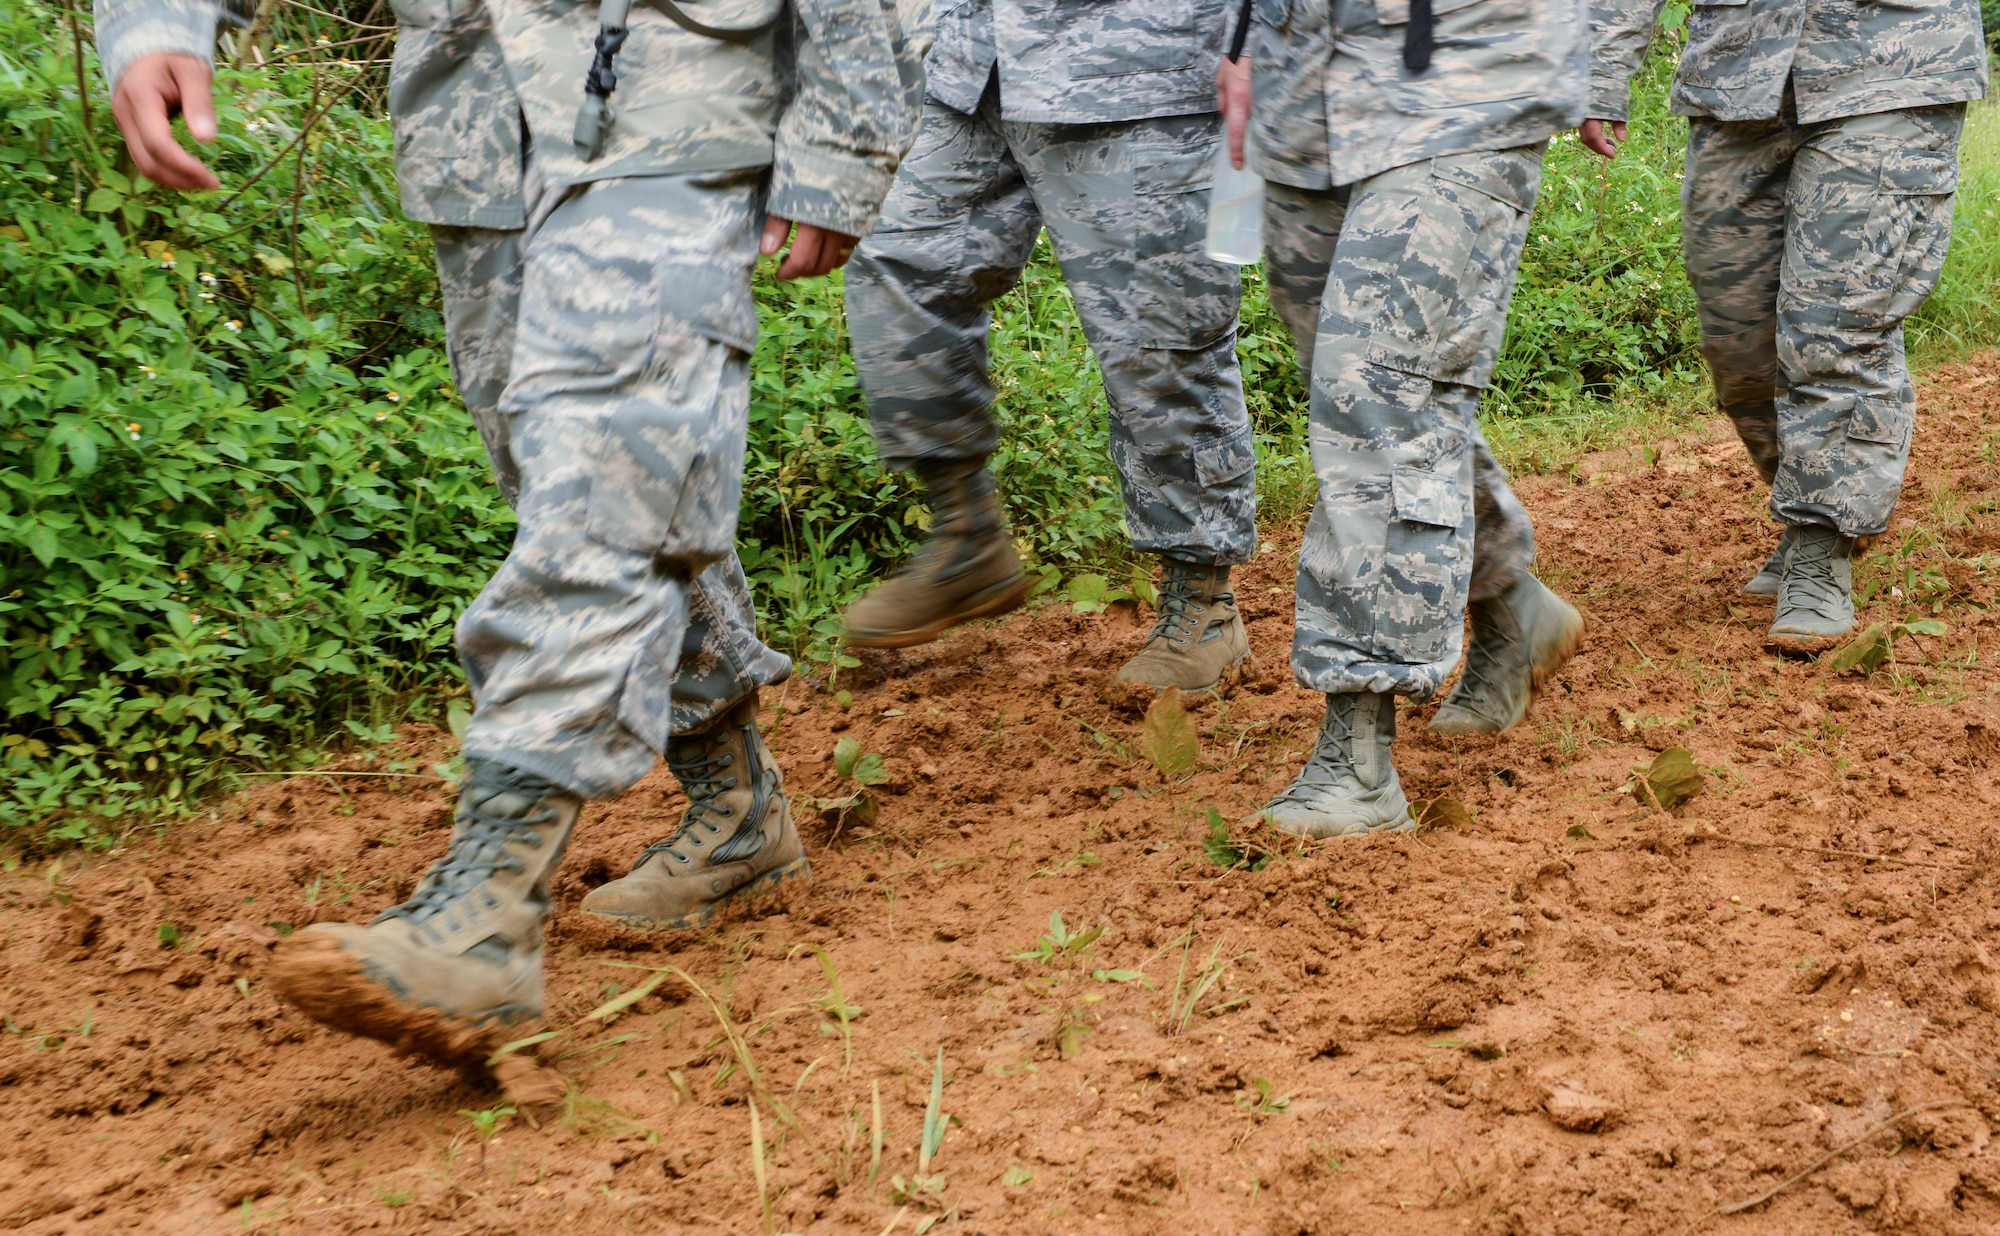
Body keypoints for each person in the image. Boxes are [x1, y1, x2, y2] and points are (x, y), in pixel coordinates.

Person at [98, 0, 921, 1068]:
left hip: (673, 101)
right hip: (474, 125)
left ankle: (480, 916)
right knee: (581, 484)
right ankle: (736, 810)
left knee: (610, 483)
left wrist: (846, 131)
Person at [1217, 0, 1588, 837]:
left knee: (1377, 388)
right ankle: (1511, 603)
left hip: (1470, 64)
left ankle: (1358, 756)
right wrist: (1240, 37)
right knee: (1370, 380)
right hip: (1300, 75)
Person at [838, 0, 1260, 693]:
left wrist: (1257, 34)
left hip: (1141, 60)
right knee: (903, 269)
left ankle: (1203, 599)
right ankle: (966, 533)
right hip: (971, 54)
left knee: (1157, 332)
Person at [1585, 1, 1987, 652]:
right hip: (1736, 72)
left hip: (1892, 62)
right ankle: (1823, 498)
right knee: (1738, 342)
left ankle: (1820, 538)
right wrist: (1601, 71)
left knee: (1835, 323)